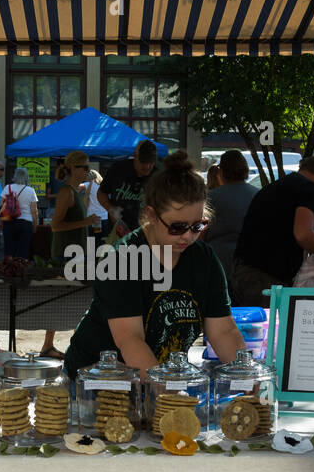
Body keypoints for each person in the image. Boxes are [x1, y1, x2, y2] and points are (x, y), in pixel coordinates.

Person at [63, 151, 246, 380]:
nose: (188, 237)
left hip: (155, 382)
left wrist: (247, 376)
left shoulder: (204, 259)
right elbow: (130, 340)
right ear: (151, 215)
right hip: (95, 384)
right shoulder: (121, 260)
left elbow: (223, 331)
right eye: (177, 227)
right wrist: (168, 394)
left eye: (198, 226)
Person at [231, 155, 314, 307]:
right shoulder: (310, 188)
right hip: (266, 277)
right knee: (273, 328)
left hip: (244, 270)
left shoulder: (280, 185)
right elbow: (304, 234)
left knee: (254, 328)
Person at [40, 151, 101, 359]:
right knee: (65, 301)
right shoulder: (66, 192)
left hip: (75, 253)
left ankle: (57, 345)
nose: (87, 170)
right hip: (65, 254)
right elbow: (55, 226)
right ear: (73, 169)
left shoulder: (75, 190)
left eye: (88, 166)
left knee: (71, 301)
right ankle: (53, 345)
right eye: (84, 167)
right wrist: (86, 222)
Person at [201, 149, 257, 292]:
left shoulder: (211, 197)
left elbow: (201, 233)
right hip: (250, 262)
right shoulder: (257, 195)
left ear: (222, 171)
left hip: (216, 260)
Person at [98, 139, 159, 238]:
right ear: (135, 156)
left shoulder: (158, 176)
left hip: (147, 234)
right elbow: (101, 193)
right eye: (143, 162)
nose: (147, 166)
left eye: (151, 162)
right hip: (119, 232)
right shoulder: (118, 169)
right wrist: (111, 210)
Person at [0, 166, 39, 260]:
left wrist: (0, 222)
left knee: (9, 250)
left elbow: (1, 206)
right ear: (26, 177)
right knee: (23, 250)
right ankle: (21, 270)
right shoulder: (31, 190)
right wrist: (35, 225)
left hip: (9, 221)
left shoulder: (7, 188)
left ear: (15, 176)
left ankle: (8, 270)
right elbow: (34, 211)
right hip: (25, 222)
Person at [81, 168, 107, 241]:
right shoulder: (104, 186)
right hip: (104, 218)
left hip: (94, 218)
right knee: (102, 241)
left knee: (91, 241)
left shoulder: (88, 184)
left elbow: (76, 187)